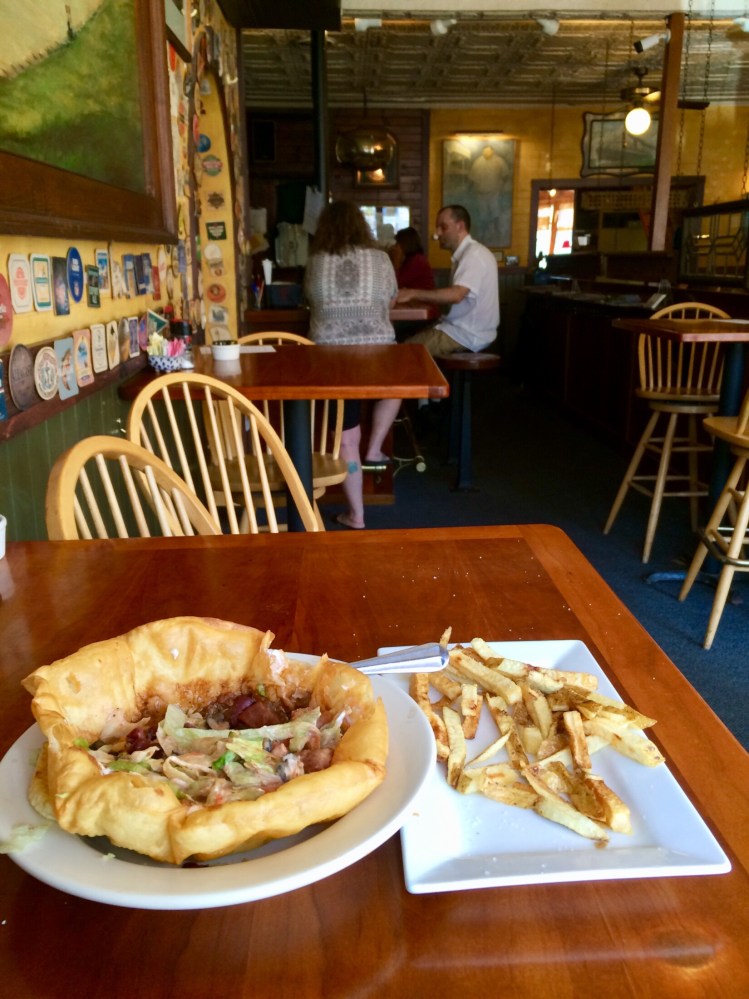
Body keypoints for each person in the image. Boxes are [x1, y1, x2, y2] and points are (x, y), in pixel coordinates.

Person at [304, 200, 398, 530]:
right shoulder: (382, 259)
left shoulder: (315, 260)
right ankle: (376, 448)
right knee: (401, 378)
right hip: (378, 358)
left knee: (346, 440)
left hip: (330, 361)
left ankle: (356, 515)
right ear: (362, 226)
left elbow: (310, 300)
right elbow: (392, 300)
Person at [395, 204, 500, 356]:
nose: (437, 234)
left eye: (443, 227)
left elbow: (456, 295)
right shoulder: (469, 253)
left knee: (404, 353)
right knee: (408, 339)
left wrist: (412, 293)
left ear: (460, 226)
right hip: (463, 330)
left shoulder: (474, 255)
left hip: (467, 335)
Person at [391, 226, 435, 291]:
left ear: (405, 244)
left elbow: (396, 283)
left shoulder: (417, 261)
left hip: (421, 300)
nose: (394, 247)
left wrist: (396, 260)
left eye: (397, 244)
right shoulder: (409, 260)